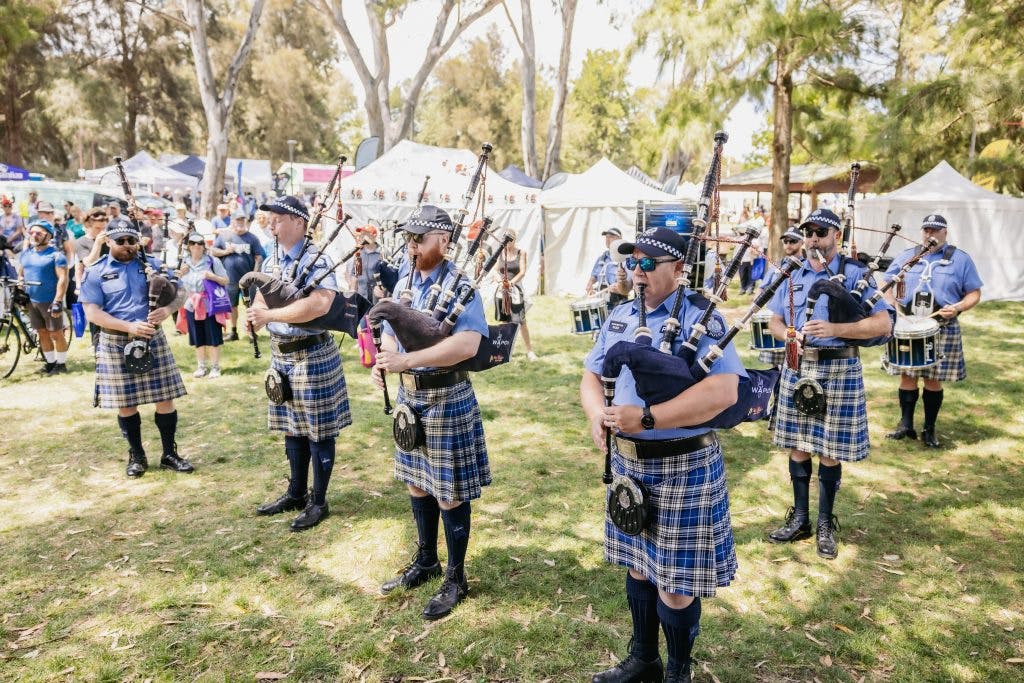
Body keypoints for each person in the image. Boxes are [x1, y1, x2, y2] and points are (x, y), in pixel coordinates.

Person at [580, 227, 742, 683]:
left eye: (649, 263)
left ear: (678, 269)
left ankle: (677, 672)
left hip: (682, 461)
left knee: (675, 584)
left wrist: (648, 419)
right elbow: (591, 375)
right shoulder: (620, 315)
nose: (638, 271)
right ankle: (644, 660)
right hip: (628, 463)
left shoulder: (701, 319)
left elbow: (723, 392)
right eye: (633, 262)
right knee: (638, 565)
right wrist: (597, 414)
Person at [371, 205, 491, 621]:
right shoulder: (405, 281)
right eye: (409, 238)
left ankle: (456, 577)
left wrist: (409, 361)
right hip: (409, 399)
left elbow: (468, 345)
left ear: (442, 241)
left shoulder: (461, 286)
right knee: (417, 483)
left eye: (420, 238)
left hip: (446, 396)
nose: (412, 245)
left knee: (449, 489)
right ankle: (426, 561)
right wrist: (387, 361)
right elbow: (390, 333)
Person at [765, 208, 894, 560]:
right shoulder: (793, 273)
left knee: (829, 451)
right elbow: (775, 321)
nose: (813, 239)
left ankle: (824, 522)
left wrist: (835, 330)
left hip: (838, 368)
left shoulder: (854, 274)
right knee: (797, 446)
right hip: (799, 368)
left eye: (821, 232)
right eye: (809, 232)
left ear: (836, 235)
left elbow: (882, 325)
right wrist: (789, 335)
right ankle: (801, 518)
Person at [246, 195, 351, 532]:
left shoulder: (318, 260)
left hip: (312, 352)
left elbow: (319, 305)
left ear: (299, 223)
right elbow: (264, 292)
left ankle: (318, 501)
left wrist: (270, 315)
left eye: (278, 218)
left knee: (319, 432)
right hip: (283, 353)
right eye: (270, 218)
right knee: (292, 427)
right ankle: (295, 492)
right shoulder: (274, 255)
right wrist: (255, 315)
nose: (271, 223)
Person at [79, 215, 194, 478]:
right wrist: (128, 327)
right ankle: (137, 456)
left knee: (165, 398)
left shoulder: (152, 265)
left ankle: (169, 453)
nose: (128, 246)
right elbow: (92, 313)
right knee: (126, 403)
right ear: (108, 241)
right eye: (121, 241)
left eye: (132, 240)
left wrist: (167, 309)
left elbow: (181, 293)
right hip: (115, 341)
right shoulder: (95, 271)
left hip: (152, 339)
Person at [882, 214, 982, 448]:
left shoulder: (960, 259)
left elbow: (974, 293)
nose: (930, 234)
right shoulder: (908, 256)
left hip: (941, 325)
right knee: (907, 374)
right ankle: (905, 425)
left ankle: (929, 429)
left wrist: (957, 308)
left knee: (933, 378)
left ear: (945, 233)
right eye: (927, 230)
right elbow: (886, 283)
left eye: (936, 230)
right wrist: (891, 307)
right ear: (921, 232)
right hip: (908, 323)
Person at [16, 219, 70, 374]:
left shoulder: (56, 255)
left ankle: (61, 364)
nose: (34, 235)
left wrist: (58, 301)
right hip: (32, 301)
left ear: (48, 235)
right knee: (41, 332)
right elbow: (21, 275)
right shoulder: (26, 254)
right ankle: (51, 363)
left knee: (56, 333)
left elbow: (63, 279)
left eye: (38, 233)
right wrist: (20, 289)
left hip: (50, 300)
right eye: (31, 232)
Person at [177, 233, 229, 378]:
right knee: (197, 338)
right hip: (191, 305)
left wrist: (212, 277)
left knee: (213, 337)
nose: (196, 246)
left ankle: (215, 367)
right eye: (193, 243)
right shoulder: (183, 263)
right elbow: (173, 282)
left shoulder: (213, 261)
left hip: (209, 304)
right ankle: (201, 367)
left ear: (204, 245)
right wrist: (179, 274)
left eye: (200, 243)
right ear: (189, 246)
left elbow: (225, 281)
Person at [211, 211, 264, 341]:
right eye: (238, 220)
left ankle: (251, 332)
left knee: (250, 306)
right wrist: (225, 251)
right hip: (230, 279)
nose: (240, 222)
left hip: (248, 281)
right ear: (232, 221)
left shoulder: (252, 238)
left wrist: (254, 275)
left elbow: (259, 257)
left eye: (242, 220)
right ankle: (233, 332)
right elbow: (213, 250)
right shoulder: (224, 236)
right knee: (232, 306)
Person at [490, 228, 537, 360]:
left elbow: (522, 272)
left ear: (514, 239)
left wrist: (510, 283)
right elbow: (495, 271)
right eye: (506, 240)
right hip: (501, 291)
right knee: (504, 321)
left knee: (520, 320)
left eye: (510, 240)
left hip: (515, 290)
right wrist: (500, 281)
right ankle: (504, 350)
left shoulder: (521, 253)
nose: (508, 243)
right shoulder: (500, 252)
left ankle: (529, 351)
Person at [74, 208, 110, 349]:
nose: (101, 231)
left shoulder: (109, 239)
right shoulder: (81, 242)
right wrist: (97, 244)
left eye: (103, 228)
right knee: (96, 321)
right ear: (88, 225)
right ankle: (97, 350)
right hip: (93, 288)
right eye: (97, 228)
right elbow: (88, 262)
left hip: (111, 285)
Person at [586, 227, 631, 307]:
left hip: (618, 302)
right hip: (601, 302)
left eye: (611, 237)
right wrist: (590, 285)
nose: (607, 239)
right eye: (606, 237)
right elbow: (594, 276)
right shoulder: (602, 258)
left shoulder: (625, 258)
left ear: (619, 239)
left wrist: (619, 287)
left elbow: (628, 286)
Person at [758, 227, 805, 294]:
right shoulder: (776, 265)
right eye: (785, 241)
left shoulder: (807, 266)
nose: (788, 245)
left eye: (793, 241)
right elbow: (761, 288)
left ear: (802, 242)